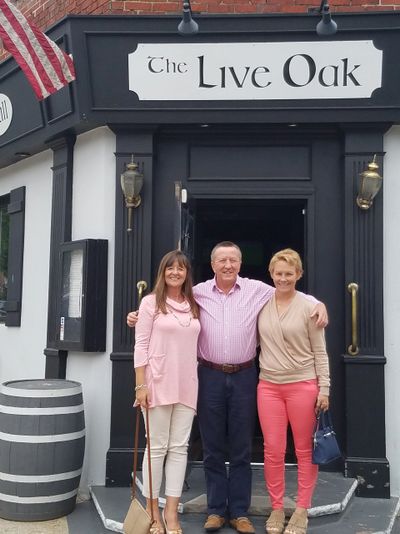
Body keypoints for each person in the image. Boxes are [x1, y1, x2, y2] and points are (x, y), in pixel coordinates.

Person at [128, 241, 327, 534]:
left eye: (233, 260)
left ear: (240, 263)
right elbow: (162, 308)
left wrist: (317, 303)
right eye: (222, 260)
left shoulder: (257, 290)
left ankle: (239, 512)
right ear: (212, 265)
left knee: (242, 446)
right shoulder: (196, 294)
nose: (227, 265)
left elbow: (289, 291)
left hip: (246, 375)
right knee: (211, 446)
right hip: (207, 375)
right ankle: (216, 510)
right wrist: (135, 316)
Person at [257, 249, 330, 534]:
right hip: (268, 386)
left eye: (289, 274)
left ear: (299, 275)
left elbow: (320, 352)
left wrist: (324, 388)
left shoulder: (309, 307)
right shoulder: (261, 302)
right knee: (273, 450)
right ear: (271, 274)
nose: (283, 278)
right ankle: (277, 508)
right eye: (278, 273)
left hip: (303, 385)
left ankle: (301, 509)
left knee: (304, 451)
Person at [134, 250, 201, 534]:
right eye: (170, 268)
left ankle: (171, 512)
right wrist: (140, 385)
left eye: (181, 268)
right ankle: (152, 511)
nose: (175, 272)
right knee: (157, 448)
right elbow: (141, 345)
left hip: (187, 383)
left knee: (179, 449)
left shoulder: (194, 304)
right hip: (157, 383)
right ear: (163, 271)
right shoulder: (150, 303)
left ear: (187, 273)